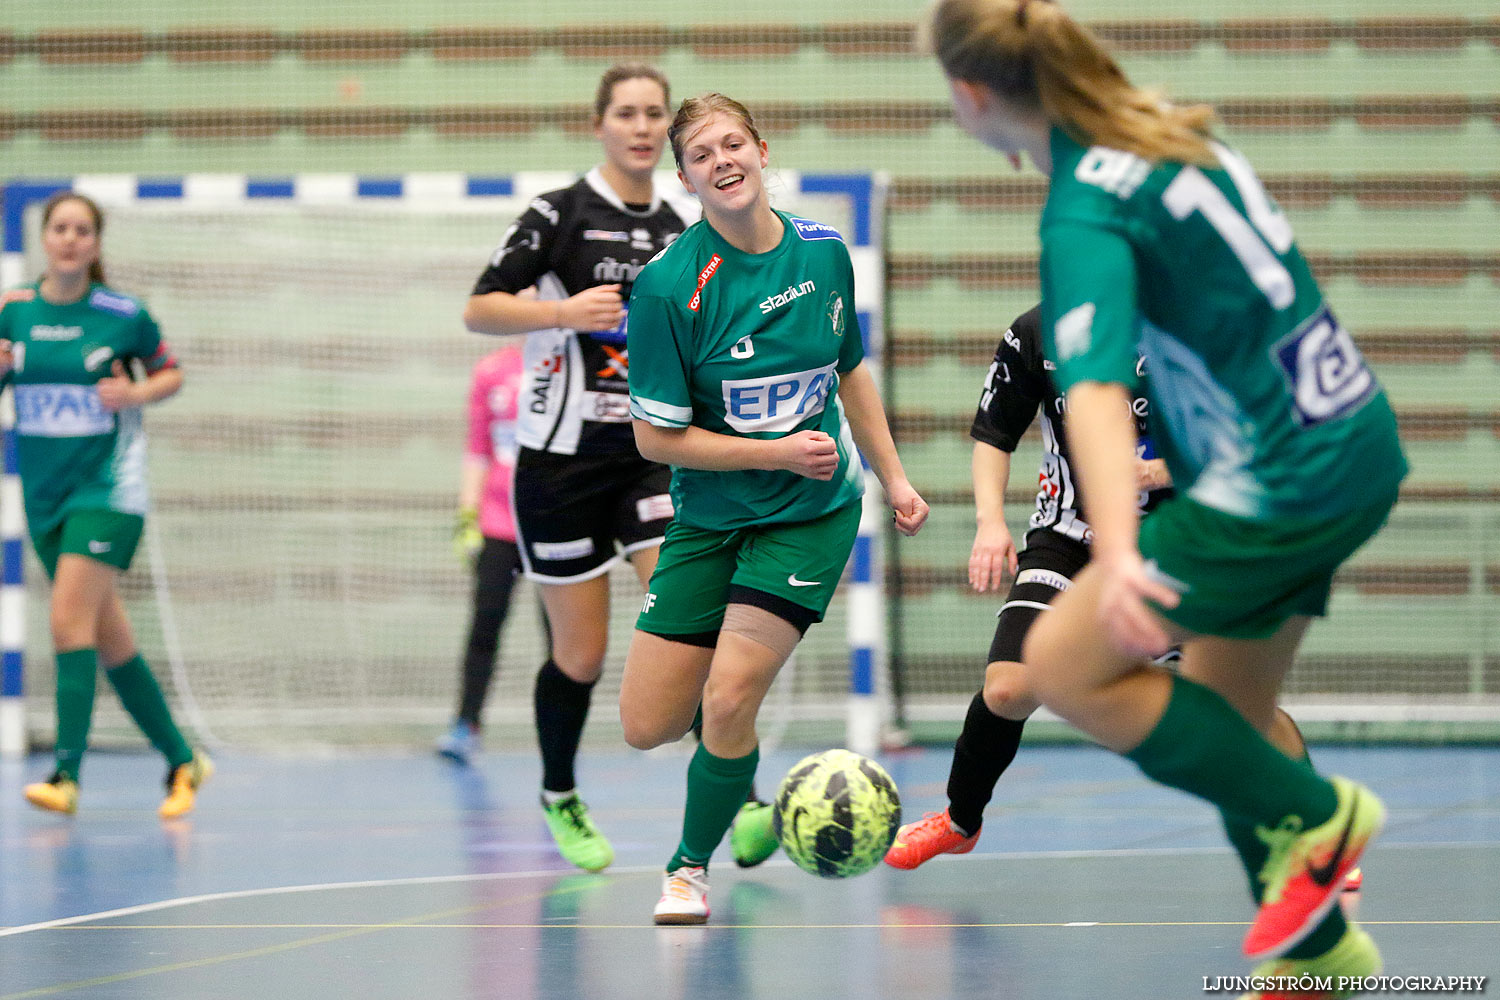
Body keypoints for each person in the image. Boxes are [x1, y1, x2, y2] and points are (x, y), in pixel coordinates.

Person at [928, 2, 1407, 995]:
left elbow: (1095, 390)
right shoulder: (1164, 129)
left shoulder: (1084, 211)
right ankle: (1318, 956)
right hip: (1353, 438)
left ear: (971, 95)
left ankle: (1318, 816)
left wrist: (1121, 556)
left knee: (1060, 664)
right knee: (1227, 715)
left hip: (1275, 480)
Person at [620, 93, 929, 925]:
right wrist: (771, 450)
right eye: (701, 155)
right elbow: (655, 442)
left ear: (761, 150)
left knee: (728, 697)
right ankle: (745, 795)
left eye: (733, 144)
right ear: (684, 177)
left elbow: (851, 369)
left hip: (809, 513)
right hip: (710, 515)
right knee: (647, 724)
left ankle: (688, 867)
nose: (722, 161)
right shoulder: (665, 292)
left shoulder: (825, 254)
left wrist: (893, 478)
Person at [462, 63, 699, 873]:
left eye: (653, 115)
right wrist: (562, 313)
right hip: (558, 469)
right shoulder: (557, 215)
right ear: (599, 123)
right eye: (626, 113)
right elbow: (480, 306)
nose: (640, 127)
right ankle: (560, 795)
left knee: (688, 613)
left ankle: (731, 797)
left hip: (648, 459)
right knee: (583, 656)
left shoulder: (683, 223)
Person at [884, 305, 1170, 867]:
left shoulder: (1191, 325)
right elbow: (995, 434)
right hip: (1068, 533)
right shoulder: (1038, 330)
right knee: (1008, 688)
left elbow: (1248, 439)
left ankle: (1314, 834)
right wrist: (990, 521)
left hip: (1175, 538)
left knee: (1226, 696)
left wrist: (1164, 471)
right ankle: (960, 819)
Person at [0, 191, 211, 818]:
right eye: (59, 227)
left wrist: (135, 392)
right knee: (110, 640)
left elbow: (171, 373)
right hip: (45, 499)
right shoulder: (14, 311)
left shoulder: (123, 314)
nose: (69, 238)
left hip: (108, 492)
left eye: (82, 229)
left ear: (96, 243)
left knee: (67, 621)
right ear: (44, 238)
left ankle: (66, 775)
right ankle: (183, 760)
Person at [434, 341, 529, 765]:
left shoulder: (575, 362)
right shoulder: (493, 370)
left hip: (554, 523)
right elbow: (478, 449)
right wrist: (467, 517)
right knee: (485, 625)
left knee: (566, 639)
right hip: (498, 525)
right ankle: (466, 723)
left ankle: (560, 732)